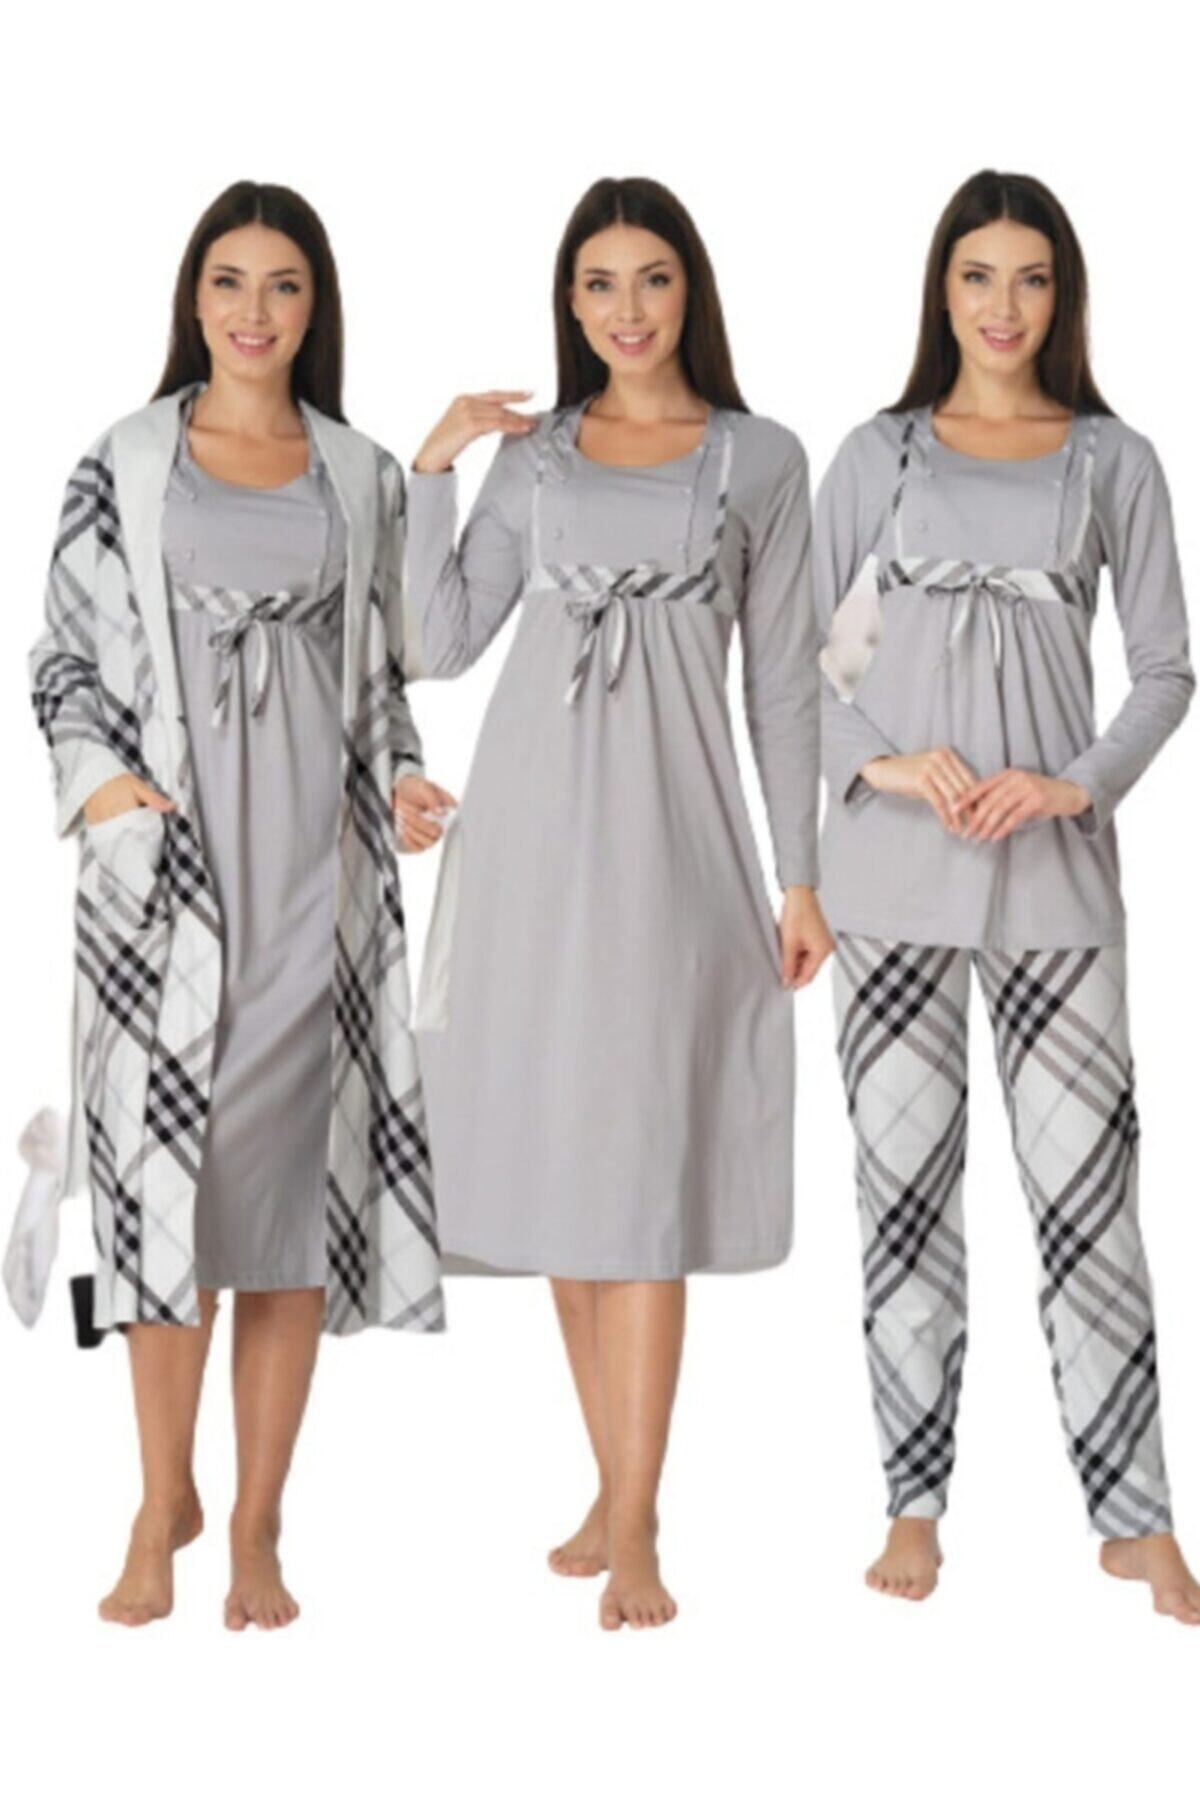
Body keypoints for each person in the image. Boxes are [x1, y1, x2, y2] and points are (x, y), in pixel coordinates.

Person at [405, 176, 832, 1630]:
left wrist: (800, 874)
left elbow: (785, 687)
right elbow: (439, 641)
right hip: (529, 844)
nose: (627, 309)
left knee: (643, 1166)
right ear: (570, 302)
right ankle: (613, 1488)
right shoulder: (533, 461)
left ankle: (638, 1523)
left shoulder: (761, 460)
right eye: (599, 283)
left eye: (652, 278)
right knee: (568, 1174)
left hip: (676, 851)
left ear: (690, 288)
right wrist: (434, 466)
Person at [28, 180, 451, 1630]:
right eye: (229, 282)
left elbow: (381, 683)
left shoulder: (362, 474)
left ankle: (257, 1526)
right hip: (168, 891)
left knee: (285, 1209)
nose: (253, 312)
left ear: (314, 305)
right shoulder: (126, 461)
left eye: (282, 286)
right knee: (163, 1204)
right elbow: (62, 661)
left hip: (313, 897)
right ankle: (161, 1500)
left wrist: (404, 782)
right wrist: (103, 794)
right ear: (193, 299)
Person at [814, 168, 1199, 1621]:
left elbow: (1164, 669)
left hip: (1054, 886)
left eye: (1031, 277)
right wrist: (890, 765)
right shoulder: (880, 454)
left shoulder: (1115, 461)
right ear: (943, 289)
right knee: (905, 1205)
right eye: (978, 275)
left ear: (1063, 295)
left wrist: (1073, 785)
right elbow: (798, 666)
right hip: (891, 889)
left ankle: (1138, 1518)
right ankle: (912, 1505)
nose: (1003, 304)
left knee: (1093, 1205)